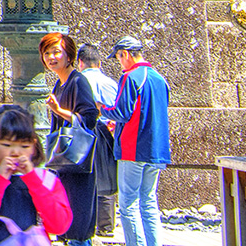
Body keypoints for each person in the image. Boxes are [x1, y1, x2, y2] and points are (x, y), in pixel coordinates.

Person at [0, 105, 72, 246]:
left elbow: (59, 225)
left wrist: (33, 180)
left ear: (33, 145)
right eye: (6, 145)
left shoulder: (44, 179)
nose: (15, 152)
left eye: (24, 146)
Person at [102, 37, 171, 246]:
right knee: (149, 201)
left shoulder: (130, 77)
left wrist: (102, 110)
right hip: (156, 148)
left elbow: (122, 112)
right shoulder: (160, 79)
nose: (119, 63)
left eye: (119, 57)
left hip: (133, 149)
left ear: (126, 54)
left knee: (128, 203)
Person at [39, 33, 99, 246]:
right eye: (47, 53)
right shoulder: (60, 84)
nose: (51, 57)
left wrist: (60, 111)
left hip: (78, 161)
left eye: (56, 52)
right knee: (66, 223)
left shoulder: (78, 81)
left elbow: (91, 117)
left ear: (69, 54)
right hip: (65, 163)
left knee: (77, 226)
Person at [74, 43, 119, 237]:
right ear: (100, 63)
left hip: (81, 130)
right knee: (106, 177)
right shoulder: (110, 83)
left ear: (80, 63)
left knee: (81, 177)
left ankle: (84, 225)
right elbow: (118, 112)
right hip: (105, 131)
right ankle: (106, 226)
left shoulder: (75, 81)